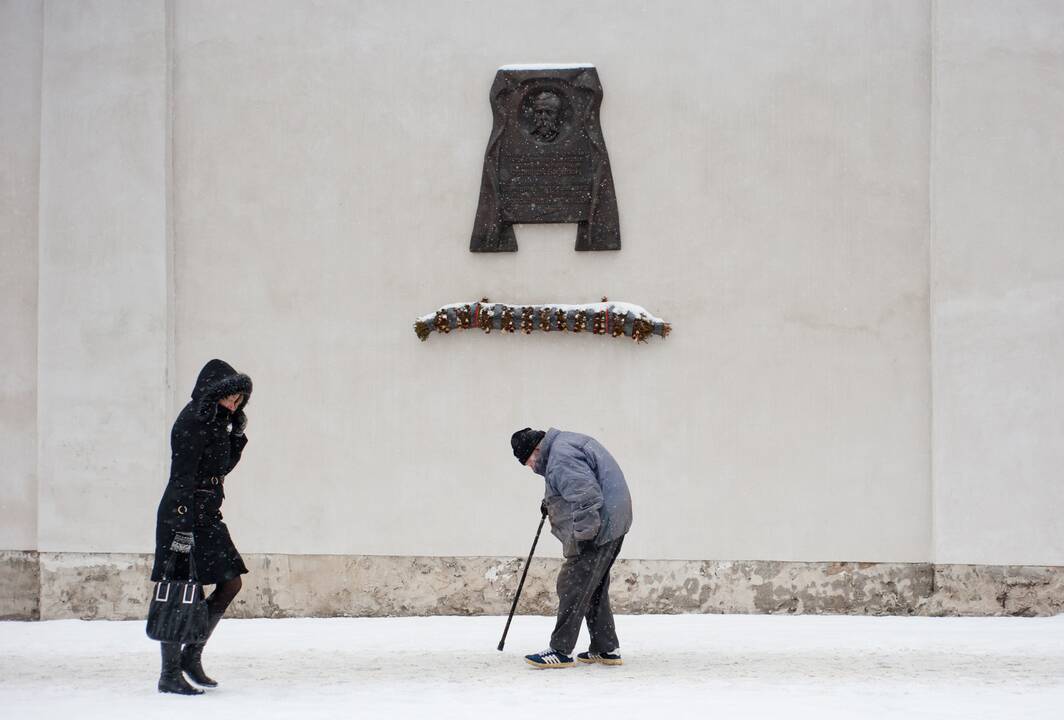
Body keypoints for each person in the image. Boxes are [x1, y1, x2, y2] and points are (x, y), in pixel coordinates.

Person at [151, 359, 253, 695]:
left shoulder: (217, 422)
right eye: (230, 398)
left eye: (238, 401)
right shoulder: (192, 420)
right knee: (181, 590)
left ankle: (191, 656)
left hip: (208, 516)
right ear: (214, 391)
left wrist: (236, 437)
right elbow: (182, 476)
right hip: (183, 515)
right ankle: (169, 674)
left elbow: (221, 468)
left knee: (230, 583)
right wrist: (181, 527)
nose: (233, 404)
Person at [510, 427, 633, 669]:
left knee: (572, 584)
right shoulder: (562, 446)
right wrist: (551, 502)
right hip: (614, 521)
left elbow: (585, 496)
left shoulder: (560, 457)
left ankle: (561, 650)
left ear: (536, 450)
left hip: (599, 526)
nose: (532, 468)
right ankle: (606, 648)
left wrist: (584, 537)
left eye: (529, 462)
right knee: (593, 586)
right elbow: (574, 485)